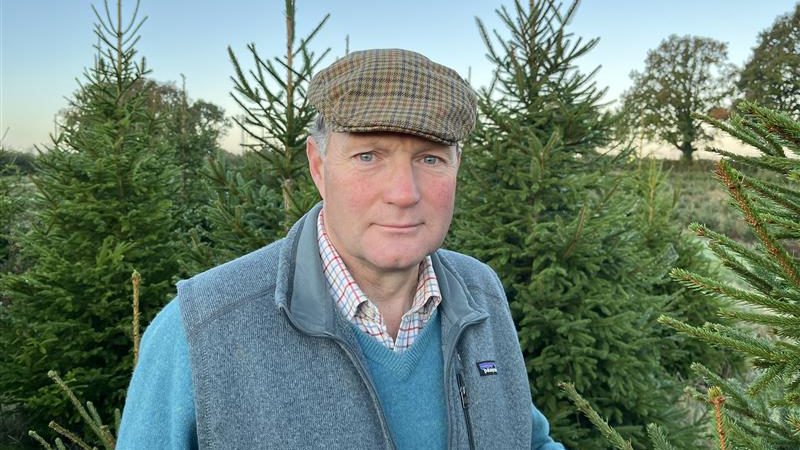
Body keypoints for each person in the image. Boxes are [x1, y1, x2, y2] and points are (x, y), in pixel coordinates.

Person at [117, 48, 565, 450]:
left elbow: (527, 440)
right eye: (369, 155)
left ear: (456, 167)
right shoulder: (201, 329)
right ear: (318, 165)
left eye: (430, 158)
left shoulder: (480, 292)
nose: (403, 193)